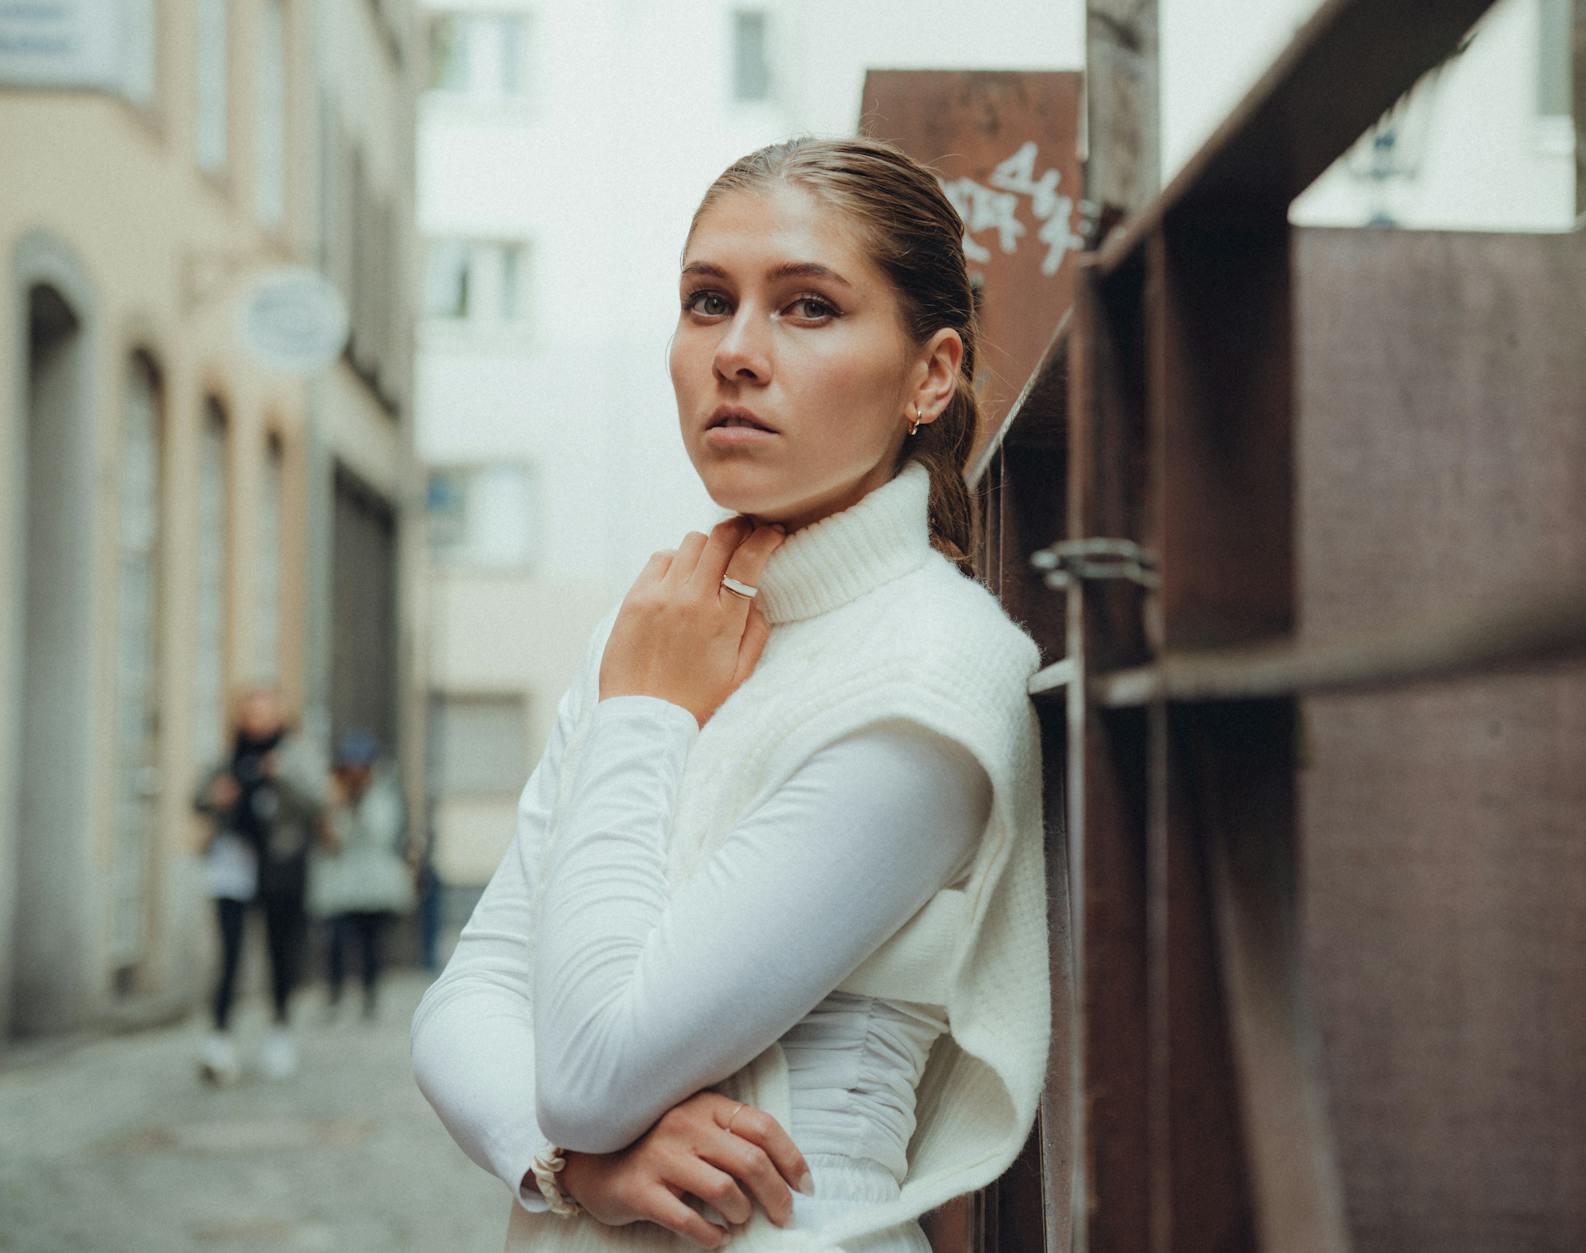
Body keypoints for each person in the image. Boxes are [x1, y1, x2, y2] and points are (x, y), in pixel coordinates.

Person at [410, 137, 1050, 1252]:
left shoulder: (932, 672)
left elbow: (596, 1067)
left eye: (807, 308)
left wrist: (645, 715)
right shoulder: (663, 622)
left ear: (929, 374)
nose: (736, 353)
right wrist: (567, 1165)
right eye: (707, 302)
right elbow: (465, 998)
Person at [192, 687, 329, 1083]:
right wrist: (214, 796)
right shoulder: (228, 757)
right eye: (250, 710)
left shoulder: (295, 755)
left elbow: (318, 805)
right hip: (233, 865)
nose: (257, 718)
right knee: (230, 953)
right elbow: (198, 796)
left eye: (265, 710)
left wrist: (281, 775)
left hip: (281, 867)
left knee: (279, 952)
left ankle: (279, 1029)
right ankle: (219, 1038)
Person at [310, 730, 415, 1022]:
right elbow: (330, 839)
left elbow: (383, 833)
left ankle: (369, 997)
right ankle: (334, 996)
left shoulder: (383, 794)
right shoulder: (333, 795)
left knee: (371, 944)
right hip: (342, 884)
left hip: (374, 884)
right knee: (336, 942)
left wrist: (358, 805)